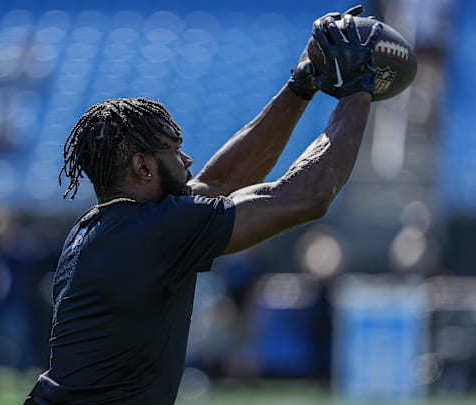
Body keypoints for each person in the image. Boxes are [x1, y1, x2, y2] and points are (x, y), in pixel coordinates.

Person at [25, 6, 381, 405]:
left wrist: (301, 83)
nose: (188, 161)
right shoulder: (152, 232)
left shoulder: (102, 227)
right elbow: (307, 196)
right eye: (175, 150)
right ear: (142, 166)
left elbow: (220, 183)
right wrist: (358, 88)